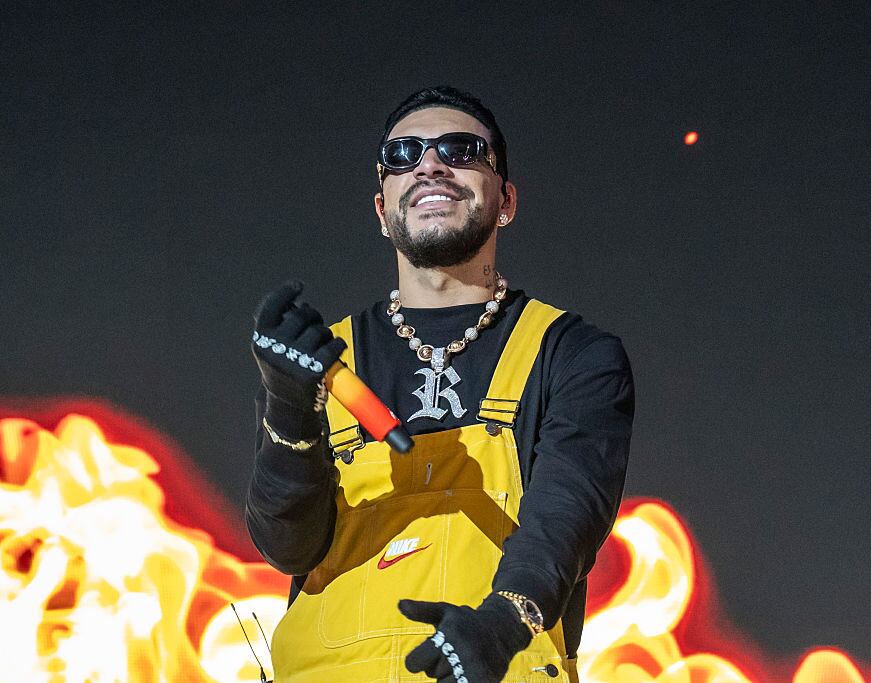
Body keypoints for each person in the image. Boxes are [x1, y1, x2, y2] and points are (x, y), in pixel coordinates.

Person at [246, 86, 635, 683]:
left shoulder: (572, 354)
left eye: (461, 150)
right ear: (383, 209)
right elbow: (289, 548)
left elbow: (568, 517)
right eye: (404, 154)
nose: (430, 165)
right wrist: (288, 407)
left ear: (505, 199)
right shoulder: (326, 359)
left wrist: (501, 627)